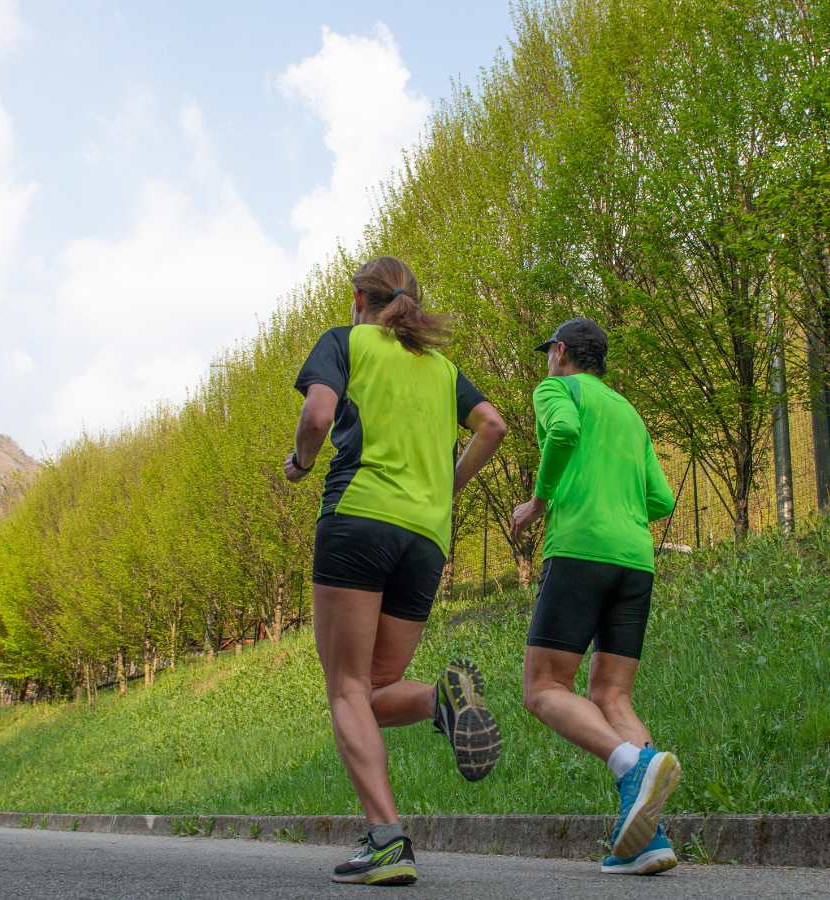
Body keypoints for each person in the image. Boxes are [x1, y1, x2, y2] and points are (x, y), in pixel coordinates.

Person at [285, 256, 507, 886]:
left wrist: (301, 464)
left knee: (346, 691)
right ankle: (442, 700)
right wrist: (446, 487)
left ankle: (387, 840)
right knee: (376, 690)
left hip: (359, 518)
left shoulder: (343, 342)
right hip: (426, 537)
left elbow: (318, 417)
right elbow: (492, 425)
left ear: (359, 298)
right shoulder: (440, 368)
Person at [511, 318, 681, 876]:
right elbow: (661, 498)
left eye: (549, 354)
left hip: (580, 551)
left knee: (543, 688)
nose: (547, 363)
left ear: (560, 352)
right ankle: (645, 841)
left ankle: (631, 765)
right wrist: (619, 509)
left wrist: (540, 502)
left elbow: (560, 432)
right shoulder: (629, 413)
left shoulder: (555, 389)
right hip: (635, 559)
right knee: (613, 696)